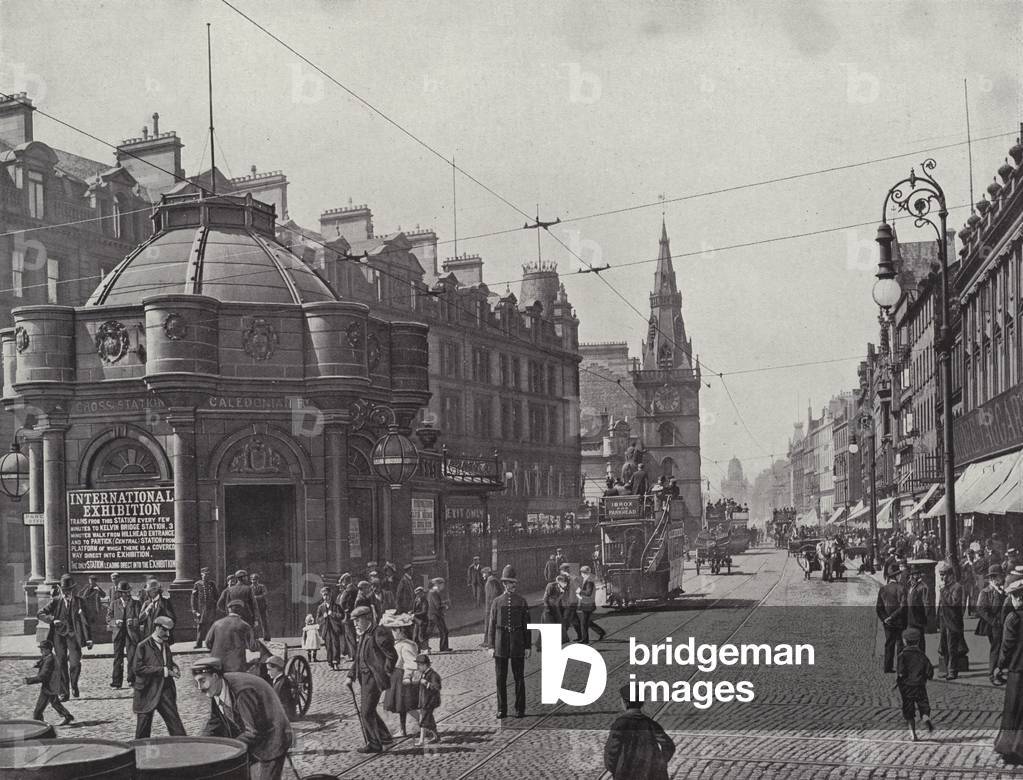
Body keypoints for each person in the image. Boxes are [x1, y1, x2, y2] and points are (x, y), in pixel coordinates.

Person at [193, 656, 294, 780]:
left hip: (272, 739)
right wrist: (201, 744)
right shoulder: (217, 687)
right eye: (197, 682)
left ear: (215, 676)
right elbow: (215, 721)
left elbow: (252, 732)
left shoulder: (243, 692)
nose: (199, 687)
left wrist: (230, 748)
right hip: (251, 741)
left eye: (202, 681)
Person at [346, 604, 397, 753]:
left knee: (366, 712)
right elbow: (358, 658)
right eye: (354, 621)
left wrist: (385, 671)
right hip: (364, 679)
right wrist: (350, 675)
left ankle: (375, 743)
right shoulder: (364, 634)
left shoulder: (378, 632)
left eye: (357, 620)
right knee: (369, 710)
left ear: (367, 618)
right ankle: (385, 739)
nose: (355, 624)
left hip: (374, 678)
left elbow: (392, 655)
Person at [486, 565, 532, 719]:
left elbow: (526, 626)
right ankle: (502, 709)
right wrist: (491, 645)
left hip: (517, 643)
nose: (513, 585)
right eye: (510, 583)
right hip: (501, 643)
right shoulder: (497, 602)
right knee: (500, 678)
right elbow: (491, 625)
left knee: (519, 677)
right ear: (504, 584)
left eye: (514, 582)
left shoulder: (521, 601)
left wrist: (527, 646)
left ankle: (520, 709)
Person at [37, 574, 93, 700]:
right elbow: (40, 613)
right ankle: (64, 692)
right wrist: (52, 619)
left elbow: (86, 621)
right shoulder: (56, 601)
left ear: (72, 589)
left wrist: (88, 638)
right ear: (60, 590)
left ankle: (74, 684)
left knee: (75, 663)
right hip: (58, 637)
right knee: (61, 663)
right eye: (63, 590)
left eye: (68, 590)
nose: (66, 592)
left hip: (74, 636)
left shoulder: (80, 602)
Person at [603, 683, 675, 779]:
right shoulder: (650, 723)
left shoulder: (619, 724)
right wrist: (659, 763)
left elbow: (611, 752)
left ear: (625, 703)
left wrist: (616, 769)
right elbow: (668, 745)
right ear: (642, 702)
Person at [132, 616, 186, 739]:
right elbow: (138, 669)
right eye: (165, 630)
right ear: (157, 628)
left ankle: (183, 747)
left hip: (165, 690)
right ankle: (139, 750)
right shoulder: (143, 646)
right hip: (147, 691)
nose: (168, 634)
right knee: (142, 731)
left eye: (169, 631)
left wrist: (173, 666)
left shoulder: (165, 645)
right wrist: (164, 671)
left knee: (176, 726)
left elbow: (165, 662)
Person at [994, 572, 1023, 765]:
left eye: (1013, 596)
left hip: (1017, 671)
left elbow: (1007, 646)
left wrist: (999, 666)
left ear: (1018, 597)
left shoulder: (1013, 618)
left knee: (1013, 710)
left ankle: (1011, 748)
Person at [382, 611, 419, 737]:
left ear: (399, 630)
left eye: (393, 630)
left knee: (408, 706)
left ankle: (426, 724)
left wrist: (408, 676)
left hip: (402, 677)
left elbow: (411, 663)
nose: (392, 633)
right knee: (401, 706)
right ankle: (402, 730)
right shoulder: (398, 643)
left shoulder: (406, 645)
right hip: (396, 676)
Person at [896, 626, 934, 742]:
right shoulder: (922, 655)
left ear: (904, 641)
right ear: (918, 641)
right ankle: (925, 717)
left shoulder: (902, 655)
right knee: (923, 705)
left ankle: (913, 734)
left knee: (909, 710)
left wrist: (900, 680)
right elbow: (929, 672)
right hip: (920, 686)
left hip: (907, 687)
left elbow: (901, 672)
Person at [26, 639, 73, 726]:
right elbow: (42, 661)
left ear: (48, 649)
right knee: (55, 703)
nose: (41, 651)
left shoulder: (50, 660)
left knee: (38, 710)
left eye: (42, 649)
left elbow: (42, 676)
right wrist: (38, 664)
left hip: (49, 687)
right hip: (53, 685)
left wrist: (28, 680)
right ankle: (68, 716)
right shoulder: (49, 656)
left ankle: (40, 725)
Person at [205, 600, 259, 673]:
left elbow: (208, 643)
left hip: (216, 665)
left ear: (229, 610)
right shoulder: (245, 626)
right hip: (236, 667)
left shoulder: (216, 624)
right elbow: (253, 647)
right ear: (241, 611)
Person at [937, 561, 967, 679]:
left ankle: (952, 671)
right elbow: (941, 605)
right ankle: (947, 668)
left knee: (952, 647)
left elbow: (953, 602)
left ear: (950, 575)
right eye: (941, 575)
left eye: (944, 575)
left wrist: (943, 590)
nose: (942, 577)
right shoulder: (944, 587)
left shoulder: (957, 587)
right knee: (944, 647)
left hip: (953, 622)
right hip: (944, 621)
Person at [108, 580, 141, 689]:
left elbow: (140, 618)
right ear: (120, 593)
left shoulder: (136, 603)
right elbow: (108, 618)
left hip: (131, 634)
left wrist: (133, 621)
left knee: (132, 658)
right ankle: (116, 682)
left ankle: (132, 680)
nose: (127, 594)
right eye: (125, 592)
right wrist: (115, 622)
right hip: (118, 634)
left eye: (128, 592)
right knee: (118, 658)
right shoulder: (114, 604)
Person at [977, 564, 1008, 683]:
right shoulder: (986, 592)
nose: (1000, 579)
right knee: (996, 648)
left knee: (1002, 648)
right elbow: (981, 610)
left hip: (1003, 624)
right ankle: (992, 674)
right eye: (998, 577)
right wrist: (994, 622)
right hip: (993, 626)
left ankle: (999, 672)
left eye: (1000, 576)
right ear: (992, 578)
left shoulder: (1003, 591)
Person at [876, 571, 907, 673]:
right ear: (896, 576)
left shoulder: (883, 589)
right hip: (899, 621)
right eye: (899, 575)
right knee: (900, 644)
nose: (900, 577)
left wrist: (885, 619)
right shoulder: (901, 588)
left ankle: (887, 667)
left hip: (887, 623)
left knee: (889, 643)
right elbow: (903, 607)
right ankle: (900, 667)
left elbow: (879, 608)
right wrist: (892, 617)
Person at [414, 652, 442, 746]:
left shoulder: (433, 675)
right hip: (424, 701)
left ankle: (421, 740)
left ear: (425, 665)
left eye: (419, 665)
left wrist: (426, 683)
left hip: (430, 702)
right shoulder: (423, 673)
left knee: (423, 720)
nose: (418, 667)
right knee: (429, 720)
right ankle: (437, 737)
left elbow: (437, 687)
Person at [139, 579, 177, 644]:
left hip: (161, 638)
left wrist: (164, 632)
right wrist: (147, 610)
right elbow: (140, 619)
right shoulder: (146, 603)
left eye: (149, 591)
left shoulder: (165, 603)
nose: (147, 593)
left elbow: (172, 620)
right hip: (148, 638)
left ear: (155, 591)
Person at [191, 567, 219, 649]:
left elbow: (216, 596)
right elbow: (193, 598)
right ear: (201, 575)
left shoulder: (212, 584)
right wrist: (194, 609)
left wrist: (215, 605)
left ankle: (210, 643)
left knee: (211, 626)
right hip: (201, 609)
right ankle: (198, 643)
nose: (206, 576)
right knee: (200, 626)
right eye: (204, 574)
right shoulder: (197, 584)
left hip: (211, 609)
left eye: (207, 575)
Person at [315, 586, 343, 671]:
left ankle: (336, 663)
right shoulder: (321, 607)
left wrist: (333, 614)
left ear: (330, 594)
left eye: (327, 594)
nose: (325, 597)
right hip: (326, 630)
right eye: (324, 595)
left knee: (335, 646)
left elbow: (341, 616)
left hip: (335, 629)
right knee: (328, 646)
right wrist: (323, 617)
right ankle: (330, 663)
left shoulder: (336, 606)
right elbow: (317, 620)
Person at [577, 565, 606, 643]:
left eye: (582, 572)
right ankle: (601, 632)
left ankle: (585, 640)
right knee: (587, 622)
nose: (581, 574)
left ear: (584, 573)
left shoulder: (589, 581)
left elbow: (588, 593)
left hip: (588, 604)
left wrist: (580, 591)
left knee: (584, 623)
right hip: (587, 603)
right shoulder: (587, 580)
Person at [538, 574, 568, 650]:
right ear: (559, 582)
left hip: (555, 608)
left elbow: (559, 600)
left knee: (559, 625)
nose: (565, 584)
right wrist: (547, 608)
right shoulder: (550, 586)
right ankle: (541, 645)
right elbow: (545, 598)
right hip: (549, 608)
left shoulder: (563, 588)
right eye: (564, 582)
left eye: (565, 582)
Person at [265, 655, 298, 722]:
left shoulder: (284, 683)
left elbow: (284, 703)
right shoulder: (277, 680)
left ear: (277, 669)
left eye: (269, 670)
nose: (268, 673)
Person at [905, 566, 930, 653]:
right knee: (911, 639)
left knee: (920, 640)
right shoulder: (911, 586)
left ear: (918, 575)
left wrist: (923, 617)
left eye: (914, 575)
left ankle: (921, 657)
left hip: (918, 619)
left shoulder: (923, 587)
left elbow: (926, 604)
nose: (912, 577)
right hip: (910, 618)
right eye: (911, 575)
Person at [337, 573, 358, 661]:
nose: (342, 584)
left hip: (348, 616)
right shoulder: (355, 588)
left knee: (350, 635)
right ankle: (353, 654)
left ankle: (353, 655)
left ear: (345, 581)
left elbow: (342, 603)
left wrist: (344, 610)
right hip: (353, 614)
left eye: (342, 582)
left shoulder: (348, 590)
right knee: (352, 635)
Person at [426, 577, 450, 652]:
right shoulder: (434, 593)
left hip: (433, 615)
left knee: (429, 632)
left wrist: (443, 603)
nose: (443, 586)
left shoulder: (432, 592)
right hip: (435, 615)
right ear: (438, 584)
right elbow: (437, 605)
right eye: (443, 584)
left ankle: (424, 646)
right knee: (444, 631)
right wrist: (445, 605)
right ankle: (443, 648)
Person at [250, 573, 271, 642]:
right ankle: (255, 638)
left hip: (262, 606)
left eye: (255, 579)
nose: (254, 581)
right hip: (253, 607)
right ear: (251, 580)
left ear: (258, 580)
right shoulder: (249, 588)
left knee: (264, 622)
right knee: (254, 623)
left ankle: (266, 637)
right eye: (253, 579)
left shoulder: (262, 586)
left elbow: (265, 594)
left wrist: (257, 597)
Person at [412, 585, 429, 650]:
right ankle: (417, 650)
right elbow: (415, 610)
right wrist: (412, 612)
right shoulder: (416, 600)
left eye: (419, 594)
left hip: (423, 621)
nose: (418, 595)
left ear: (422, 593)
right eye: (417, 594)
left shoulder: (424, 601)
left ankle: (426, 649)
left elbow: (424, 612)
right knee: (415, 636)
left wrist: (414, 614)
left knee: (421, 636)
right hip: (417, 621)